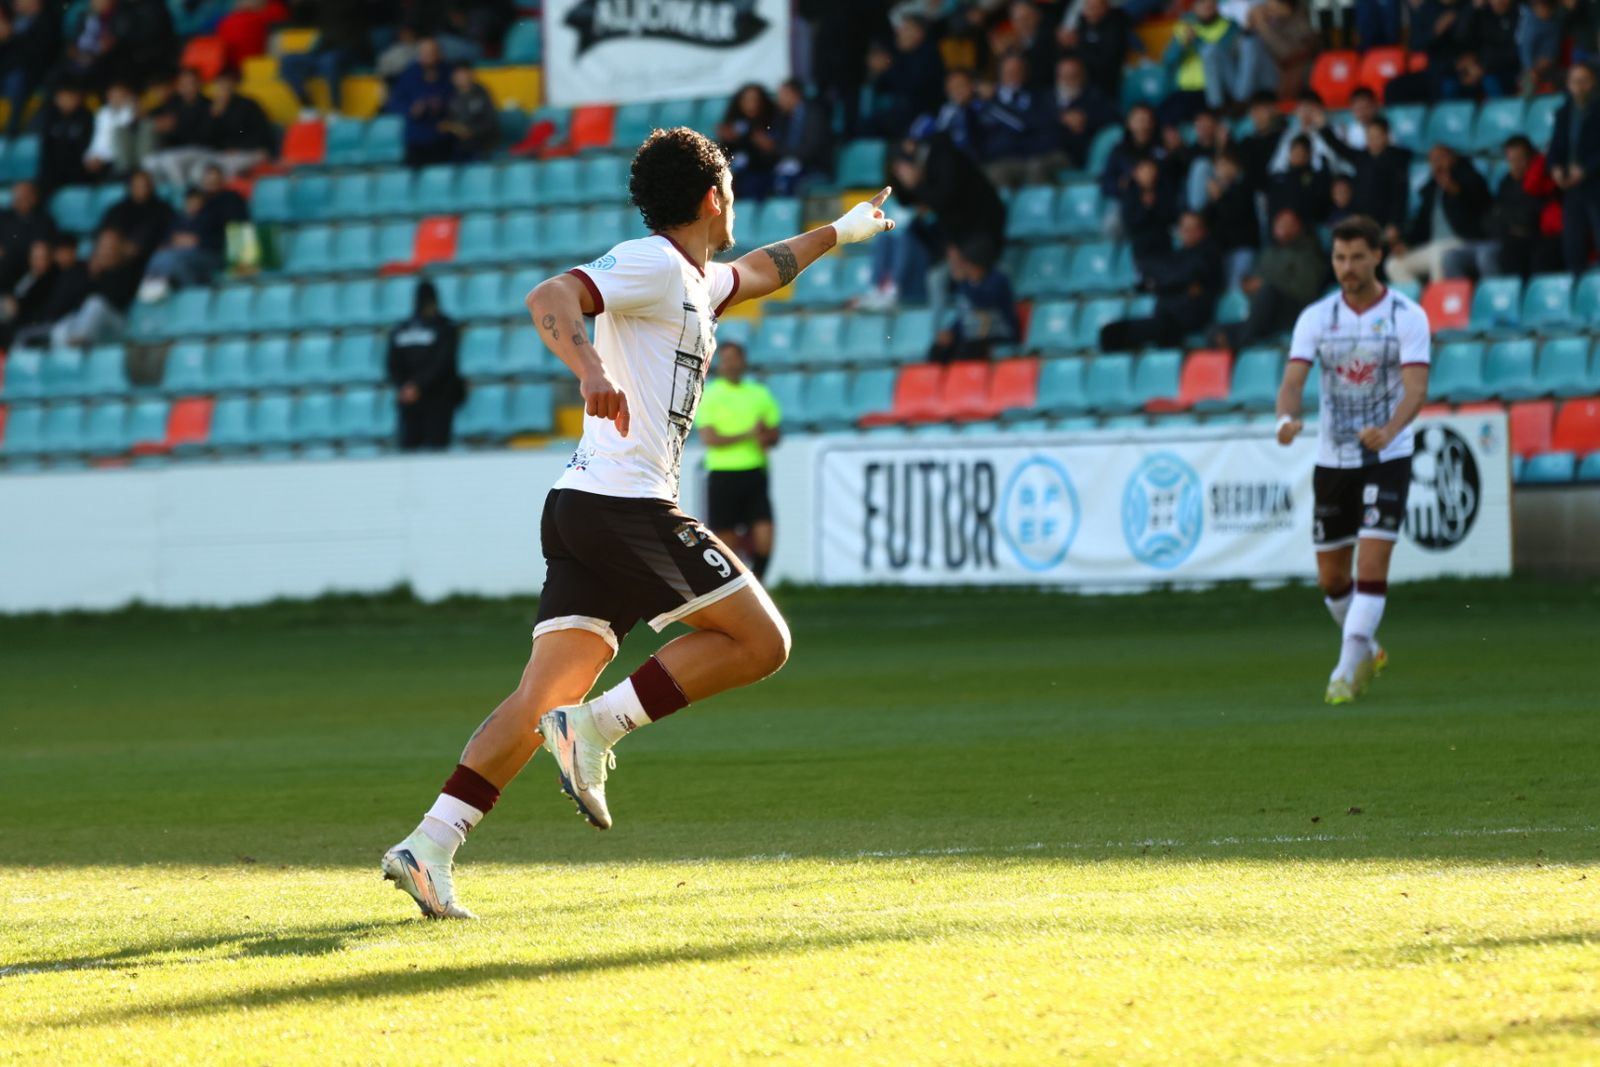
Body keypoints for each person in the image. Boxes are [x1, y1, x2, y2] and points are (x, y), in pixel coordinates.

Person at [379, 127, 894, 919]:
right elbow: (549, 297)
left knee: (534, 699)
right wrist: (589, 368)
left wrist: (847, 228)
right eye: (732, 193)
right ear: (713, 197)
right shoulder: (652, 262)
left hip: (585, 509)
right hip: (624, 505)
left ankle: (431, 842)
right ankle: (595, 727)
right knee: (762, 641)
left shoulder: (701, 280)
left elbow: (764, 268)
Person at [1274, 215, 1431, 705]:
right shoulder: (1317, 318)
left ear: (1377, 257)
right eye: (1340, 258)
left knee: (1372, 563)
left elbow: (1416, 389)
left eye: (1357, 257)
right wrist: (1285, 418)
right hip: (1333, 458)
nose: (1347, 267)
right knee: (1332, 579)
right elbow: (1294, 381)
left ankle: (1344, 671)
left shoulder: (1407, 315)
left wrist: (1388, 431)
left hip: (1388, 453)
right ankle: (1368, 648)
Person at [696, 340, 781, 579]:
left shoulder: (759, 393)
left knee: (765, 535)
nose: (730, 364)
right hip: (723, 473)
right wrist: (749, 434)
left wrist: (767, 436)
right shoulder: (711, 395)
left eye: (735, 358)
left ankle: (757, 583)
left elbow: (774, 434)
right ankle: (735, 587)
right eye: (726, 359)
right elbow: (710, 438)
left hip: (754, 471)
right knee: (727, 541)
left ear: (743, 362)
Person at [1099, 211, 1221, 351]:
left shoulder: (1209, 254)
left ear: (1203, 230)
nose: (1188, 233)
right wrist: (1175, 285)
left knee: (1116, 335)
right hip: (1165, 316)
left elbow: (1184, 275)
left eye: (1193, 228)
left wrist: (1161, 284)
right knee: (1110, 332)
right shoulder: (1177, 255)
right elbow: (1160, 277)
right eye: (1185, 229)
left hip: (1185, 320)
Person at [1215, 207, 1326, 350]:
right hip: (1261, 316)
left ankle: (1243, 350)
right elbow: (1256, 282)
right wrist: (1249, 286)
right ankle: (1236, 353)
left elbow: (1306, 290)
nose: (1282, 228)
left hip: (1293, 312)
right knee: (1216, 331)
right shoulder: (1268, 253)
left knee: (1266, 293)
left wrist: (1266, 286)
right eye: (1279, 224)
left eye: (1288, 224)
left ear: (1299, 226)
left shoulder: (1309, 253)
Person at [1386, 144, 1491, 285]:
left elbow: (1482, 202)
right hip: (1434, 244)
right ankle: (1418, 301)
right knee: (1394, 264)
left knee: (1439, 257)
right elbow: (1421, 224)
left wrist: (1456, 191)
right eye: (1433, 160)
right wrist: (1406, 243)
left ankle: (1437, 304)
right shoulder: (1432, 188)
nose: (1437, 163)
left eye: (1441, 158)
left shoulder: (1468, 176)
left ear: (1452, 158)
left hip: (1462, 240)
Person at [387, 279, 463, 451]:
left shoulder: (401, 330)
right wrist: (416, 387)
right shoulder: (445, 328)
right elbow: (443, 364)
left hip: (413, 400)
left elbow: (392, 366)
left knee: (409, 456)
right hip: (437, 401)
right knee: (434, 455)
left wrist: (406, 387)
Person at [1488, 134, 1563, 278]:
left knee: (1541, 255)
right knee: (1507, 252)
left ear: (1530, 158)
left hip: (1541, 235)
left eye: (1520, 159)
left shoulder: (1542, 179)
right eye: (1511, 160)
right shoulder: (1506, 183)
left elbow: (1541, 211)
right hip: (1512, 236)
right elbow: (1496, 213)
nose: (1516, 165)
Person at [1549, 62, 1600, 273]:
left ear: (1593, 83)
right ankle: (1578, 291)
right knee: (1573, 244)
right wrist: (1556, 168)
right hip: (1572, 187)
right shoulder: (1564, 112)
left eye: (1583, 81)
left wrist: (1586, 169)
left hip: (1596, 183)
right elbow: (1556, 146)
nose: (1578, 86)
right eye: (1574, 81)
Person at [279, 0, 370, 116]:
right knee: (289, 61)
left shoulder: (355, 4)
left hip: (350, 52)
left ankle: (335, 109)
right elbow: (301, 20)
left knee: (329, 60)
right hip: (322, 51)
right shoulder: (320, 4)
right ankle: (307, 106)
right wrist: (298, 5)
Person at [931, 243, 1020, 362]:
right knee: (938, 350)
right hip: (972, 338)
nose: (966, 268)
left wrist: (963, 283)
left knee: (966, 351)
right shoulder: (967, 284)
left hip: (997, 335)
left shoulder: (997, 280)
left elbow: (983, 301)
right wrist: (951, 331)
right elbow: (964, 315)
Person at [388, 37, 455, 167]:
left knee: (441, 179)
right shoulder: (409, 74)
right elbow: (394, 103)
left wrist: (442, 105)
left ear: (438, 53)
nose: (428, 56)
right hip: (416, 138)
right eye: (425, 53)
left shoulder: (448, 73)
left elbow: (457, 99)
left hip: (443, 138)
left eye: (432, 52)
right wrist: (411, 109)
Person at [199, 67, 276, 177]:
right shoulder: (212, 107)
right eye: (220, 84)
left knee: (227, 169)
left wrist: (238, 148)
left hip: (250, 151)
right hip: (222, 154)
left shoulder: (249, 105)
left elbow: (262, 134)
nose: (223, 88)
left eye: (227, 83)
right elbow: (205, 140)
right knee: (200, 167)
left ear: (235, 85)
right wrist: (213, 117)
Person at [143, 67, 212, 189]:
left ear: (199, 84)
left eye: (191, 83)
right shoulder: (173, 104)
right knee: (149, 162)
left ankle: (182, 194)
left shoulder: (208, 105)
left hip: (202, 149)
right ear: (178, 86)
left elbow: (204, 136)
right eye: (183, 84)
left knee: (170, 159)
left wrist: (176, 128)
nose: (187, 87)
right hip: (178, 151)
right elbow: (156, 116)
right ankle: (162, 195)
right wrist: (160, 125)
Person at [0, 0, 60, 138]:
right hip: (8, 67)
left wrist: (11, 36)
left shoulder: (47, 19)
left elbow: (37, 51)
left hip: (34, 70)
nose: (16, 3)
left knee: (17, 81)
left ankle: (12, 127)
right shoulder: (16, 19)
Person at [97, 169, 175, 269]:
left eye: (146, 185)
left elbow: (169, 235)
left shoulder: (163, 209)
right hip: (117, 252)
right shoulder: (118, 209)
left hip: (148, 254)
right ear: (130, 187)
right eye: (138, 185)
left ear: (152, 186)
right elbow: (105, 232)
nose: (143, 189)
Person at [1058, 0, 1135, 100]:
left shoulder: (1116, 26)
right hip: (1082, 85)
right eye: (1088, 8)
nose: (1091, 12)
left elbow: (1105, 62)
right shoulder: (1082, 23)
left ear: (1105, 8)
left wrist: (1077, 45)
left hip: (1106, 86)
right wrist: (1064, 45)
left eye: (1095, 8)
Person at [1052, 54, 1116, 171]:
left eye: (1073, 76)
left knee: (1038, 167)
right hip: (1045, 151)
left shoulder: (1094, 97)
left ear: (1083, 77)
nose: (1069, 81)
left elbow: (1113, 118)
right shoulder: (1046, 99)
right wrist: (1061, 118)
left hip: (1076, 156)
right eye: (1065, 76)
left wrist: (1084, 119)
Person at [770, 78, 833, 195]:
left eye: (783, 94)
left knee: (789, 183)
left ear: (795, 94)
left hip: (814, 166)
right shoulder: (783, 117)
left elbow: (812, 148)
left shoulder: (814, 115)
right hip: (789, 164)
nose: (779, 99)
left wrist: (776, 148)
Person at [718, 83, 778, 200]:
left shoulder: (772, 122)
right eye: (746, 99)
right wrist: (727, 140)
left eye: (755, 99)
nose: (751, 104)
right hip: (738, 175)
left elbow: (776, 153)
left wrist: (767, 146)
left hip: (762, 173)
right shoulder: (732, 124)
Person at [33, 82, 94, 195]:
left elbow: (88, 147)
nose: (64, 100)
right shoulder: (50, 116)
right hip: (53, 171)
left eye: (68, 96)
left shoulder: (86, 117)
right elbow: (46, 148)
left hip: (78, 170)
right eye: (61, 97)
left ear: (77, 98)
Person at [0, 179, 59, 293]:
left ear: (34, 197)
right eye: (18, 195)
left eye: (25, 195)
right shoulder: (3, 217)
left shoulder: (43, 220)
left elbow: (42, 248)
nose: (20, 199)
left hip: (28, 267)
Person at [0, 238, 57, 347]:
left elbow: (40, 305)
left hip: (26, 319)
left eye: (41, 258)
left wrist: (17, 306)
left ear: (49, 259)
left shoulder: (50, 280)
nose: (37, 261)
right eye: (35, 257)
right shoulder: (24, 273)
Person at [438, 61, 498, 161]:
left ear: (471, 74)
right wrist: (449, 127)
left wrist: (471, 131)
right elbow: (443, 121)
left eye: (464, 74)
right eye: (458, 74)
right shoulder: (449, 95)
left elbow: (490, 122)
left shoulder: (481, 93)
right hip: (453, 144)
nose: (461, 78)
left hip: (480, 143)